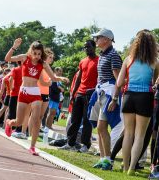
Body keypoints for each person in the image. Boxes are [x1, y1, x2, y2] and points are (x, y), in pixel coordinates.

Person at [4, 38, 69, 155]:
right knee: (18, 121)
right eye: (35, 53)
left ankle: (32, 147)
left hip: (35, 93)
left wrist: (61, 78)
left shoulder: (43, 64)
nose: (37, 56)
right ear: (31, 51)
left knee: (36, 120)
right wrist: (14, 47)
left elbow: (53, 77)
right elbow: (7, 59)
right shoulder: (24, 58)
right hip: (23, 92)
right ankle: (10, 123)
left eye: (39, 54)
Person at [108, 29, 159, 175]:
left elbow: (118, 82)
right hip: (145, 98)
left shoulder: (128, 59)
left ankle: (124, 167)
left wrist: (128, 80)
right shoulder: (155, 61)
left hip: (128, 97)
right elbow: (155, 80)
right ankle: (131, 168)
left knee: (128, 133)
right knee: (140, 136)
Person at [88, 28, 122, 170]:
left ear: (107, 39)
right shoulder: (102, 55)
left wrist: (114, 99)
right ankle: (103, 159)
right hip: (101, 92)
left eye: (98, 37)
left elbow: (119, 79)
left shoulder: (113, 55)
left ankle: (107, 160)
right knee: (100, 127)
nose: (96, 40)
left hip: (110, 93)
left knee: (103, 127)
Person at [59, 40, 98, 153]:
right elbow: (79, 79)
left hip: (90, 94)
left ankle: (85, 145)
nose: (86, 49)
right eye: (85, 47)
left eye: (88, 47)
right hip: (79, 94)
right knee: (74, 120)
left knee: (87, 121)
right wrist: (73, 94)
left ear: (94, 47)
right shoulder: (82, 61)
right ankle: (69, 143)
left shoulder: (99, 61)